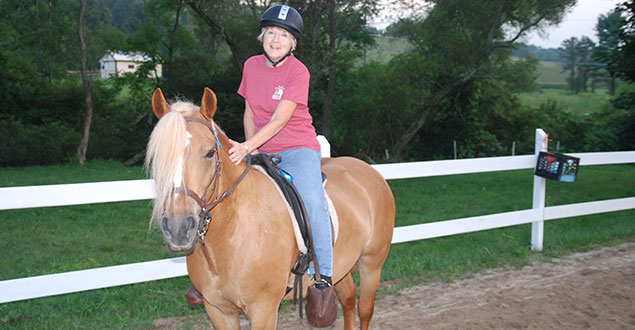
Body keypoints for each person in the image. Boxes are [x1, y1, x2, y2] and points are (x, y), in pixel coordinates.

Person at [227, 4, 334, 291]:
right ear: (262, 36)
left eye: (284, 35)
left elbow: (278, 120)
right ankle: (215, 274)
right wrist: (251, 150)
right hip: (259, 148)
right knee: (221, 191)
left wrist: (248, 145)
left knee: (312, 200)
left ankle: (323, 273)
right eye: (271, 33)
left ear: (293, 43)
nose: (276, 40)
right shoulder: (250, 65)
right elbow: (249, 113)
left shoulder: (299, 72)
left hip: (296, 147)